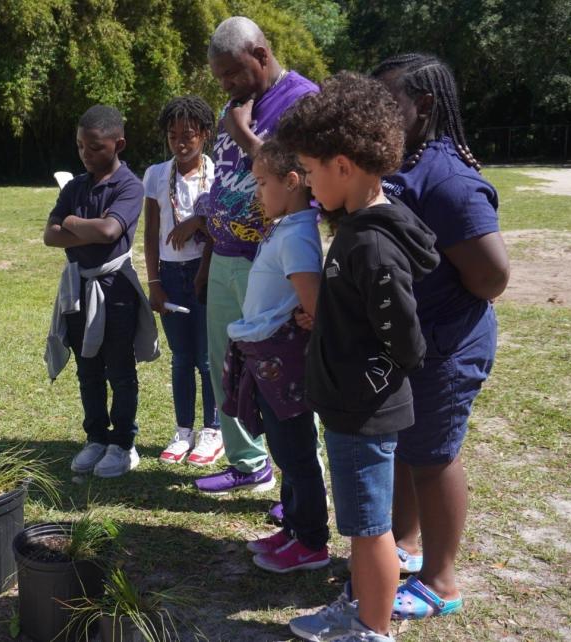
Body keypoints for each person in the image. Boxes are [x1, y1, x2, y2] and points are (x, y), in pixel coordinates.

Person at [277, 72, 440, 642]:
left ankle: (372, 628)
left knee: (371, 530)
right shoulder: (353, 227)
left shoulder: (370, 243)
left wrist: (360, 381)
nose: (307, 183)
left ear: (343, 165)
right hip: (350, 408)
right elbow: (362, 316)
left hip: (362, 414)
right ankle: (362, 608)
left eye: (312, 170)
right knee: (362, 525)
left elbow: (405, 342)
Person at [371, 54, 509, 620]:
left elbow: (492, 276)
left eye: (389, 102)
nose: (378, 113)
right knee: (408, 448)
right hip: (414, 340)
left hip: (449, 343)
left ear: (424, 105)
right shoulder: (404, 164)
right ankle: (404, 547)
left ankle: (442, 580)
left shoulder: (447, 180)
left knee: (435, 456)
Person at [191, 16, 319, 504]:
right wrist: (208, 257)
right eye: (220, 77)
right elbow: (223, 181)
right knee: (228, 366)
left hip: (269, 262)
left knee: (278, 374)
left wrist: (243, 133)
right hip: (224, 256)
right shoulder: (236, 103)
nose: (225, 85)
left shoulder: (303, 101)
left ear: (261, 55)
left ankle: (299, 488)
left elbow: (302, 178)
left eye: (231, 73)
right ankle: (248, 463)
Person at [223, 139, 329, 573]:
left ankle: (312, 542)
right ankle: (292, 529)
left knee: (296, 452)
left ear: (291, 182)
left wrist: (308, 316)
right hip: (269, 358)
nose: (256, 193)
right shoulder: (286, 227)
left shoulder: (299, 235)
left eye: (262, 183)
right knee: (285, 451)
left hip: (283, 363)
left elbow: (316, 304)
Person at [44, 104, 158, 479]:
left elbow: (110, 232)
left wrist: (73, 222)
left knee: (119, 368)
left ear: (118, 144)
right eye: (80, 147)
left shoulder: (128, 185)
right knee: (87, 367)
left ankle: (123, 442)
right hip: (78, 288)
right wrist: (85, 228)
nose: (86, 155)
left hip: (115, 289)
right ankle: (96, 436)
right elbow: (50, 235)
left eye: (94, 147)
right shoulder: (76, 186)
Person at [142, 96, 222, 466]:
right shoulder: (157, 174)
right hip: (171, 275)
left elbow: (224, 224)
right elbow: (151, 230)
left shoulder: (219, 172)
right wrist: (154, 280)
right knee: (181, 358)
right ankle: (183, 430)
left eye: (188, 135)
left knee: (207, 359)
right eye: (173, 136)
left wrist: (197, 222)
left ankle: (213, 430)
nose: (181, 142)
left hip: (207, 270)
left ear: (204, 134)